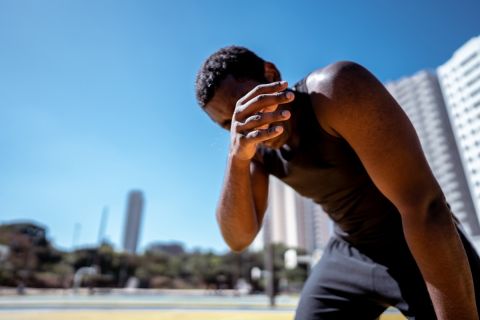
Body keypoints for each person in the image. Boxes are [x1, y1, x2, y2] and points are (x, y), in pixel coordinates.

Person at [195, 46, 480, 319]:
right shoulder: (255, 153)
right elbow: (238, 238)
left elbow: (425, 206)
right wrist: (237, 158)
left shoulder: (334, 91)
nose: (247, 125)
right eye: (230, 124)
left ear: (270, 75)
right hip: (349, 249)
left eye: (247, 107)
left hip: (417, 240)